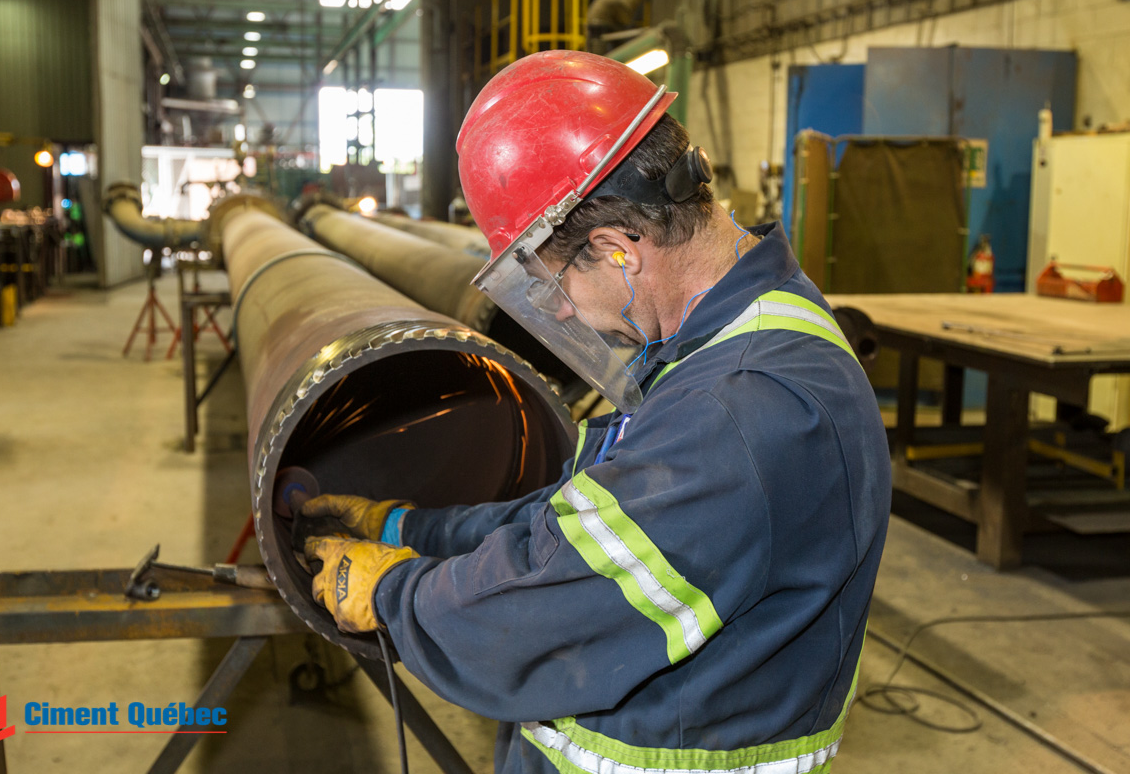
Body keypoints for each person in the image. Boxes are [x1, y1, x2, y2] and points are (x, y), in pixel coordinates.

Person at [298, 49, 891, 774]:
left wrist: (392, 594)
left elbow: (543, 609)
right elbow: (579, 525)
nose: (571, 314)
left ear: (615, 251)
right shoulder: (740, 335)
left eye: (556, 291)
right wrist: (406, 527)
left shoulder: (740, 407)